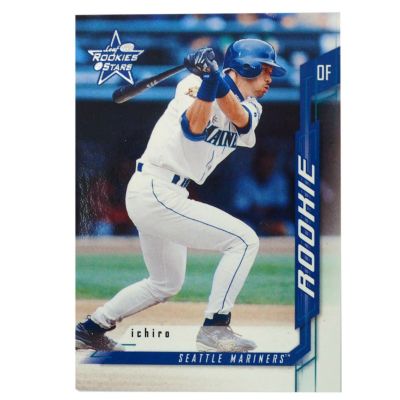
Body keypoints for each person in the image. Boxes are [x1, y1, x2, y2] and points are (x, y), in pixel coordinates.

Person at [76, 39, 286, 352]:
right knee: (244, 241)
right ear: (246, 67)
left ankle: (90, 329)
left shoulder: (253, 107)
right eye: (265, 70)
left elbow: (240, 120)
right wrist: (209, 81)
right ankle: (216, 327)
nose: (270, 78)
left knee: (165, 283)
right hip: (155, 188)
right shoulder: (192, 83)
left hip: (168, 192)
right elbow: (193, 128)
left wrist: (214, 78)